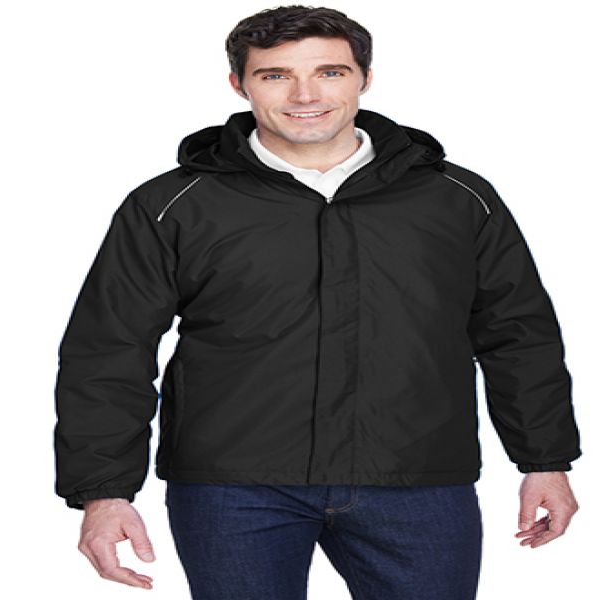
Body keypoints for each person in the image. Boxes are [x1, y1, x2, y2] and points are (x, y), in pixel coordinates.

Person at [53, 5, 583, 599]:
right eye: (275, 75)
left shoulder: (454, 198)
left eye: (330, 72)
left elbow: (518, 334)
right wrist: (104, 491)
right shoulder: (175, 205)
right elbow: (109, 349)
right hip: (234, 489)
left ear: (365, 78)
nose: (305, 95)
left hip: (416, 478)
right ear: (239, 84)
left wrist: (546, 461)